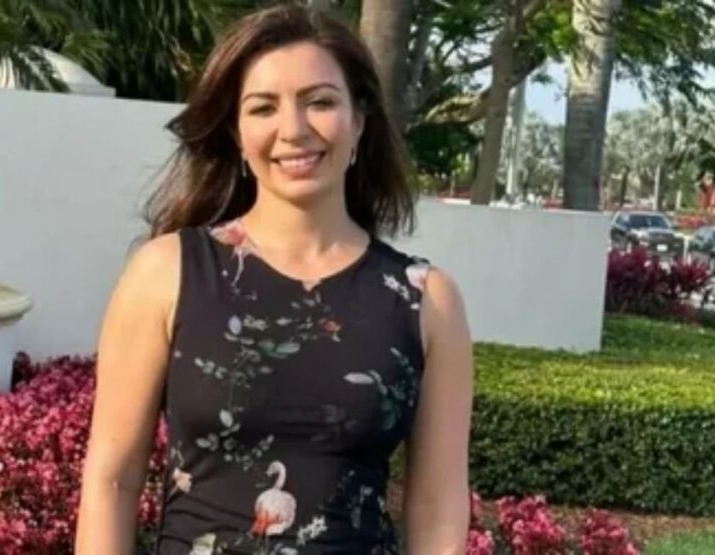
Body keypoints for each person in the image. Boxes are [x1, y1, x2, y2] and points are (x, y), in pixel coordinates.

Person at [75, 4, 473, 554]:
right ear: (238, 133)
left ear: (359, 120)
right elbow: (112, 481)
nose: (293, 129)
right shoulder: (167, 274)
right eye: (264, 107)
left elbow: (437, 506)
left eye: (320, 102)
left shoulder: (426, 301)